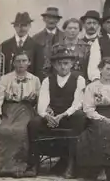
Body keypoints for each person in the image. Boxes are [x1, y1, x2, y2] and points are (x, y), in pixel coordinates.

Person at [27, 47, 86, 178]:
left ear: (71, 64)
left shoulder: (79, 79)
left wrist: (63, 115)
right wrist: (47, 116)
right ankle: (33, 165)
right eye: (59, 63)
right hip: (51, 117)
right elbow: (42, 104)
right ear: (54, 65)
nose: (63, 67)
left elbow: (78, 103)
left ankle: (71, 165)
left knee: (80, 117)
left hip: (68, 116)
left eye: (66, 63)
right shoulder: (47, 80)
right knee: (33, 123)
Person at [0, 52, 41, 177]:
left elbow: (40, 99)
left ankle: (17, 168)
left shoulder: (35, 80)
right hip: (8, 109)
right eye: (18, 61)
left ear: (29, 62)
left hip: (25, 110)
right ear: (13, 63)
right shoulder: (5, 78)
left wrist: (40, 112)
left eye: (24, 61)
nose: (21, 64)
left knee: (19, 130)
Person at [0, 12, 43, 85]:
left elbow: (39, 72)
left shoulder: (37, 47)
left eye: (24, 25)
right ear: (14, 27)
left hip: (28, 88)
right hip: (8, 86)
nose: (20, 28)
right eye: (17, 25)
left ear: (29, 26)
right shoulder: (4, 46)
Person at [33, 7, 64, 76]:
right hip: (41, 76)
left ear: (58, 20)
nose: (51, 21)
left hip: (60, 75)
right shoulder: (36, 38)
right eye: (49, 18)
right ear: (44, 19)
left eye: (54, 18)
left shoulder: (64, 37)